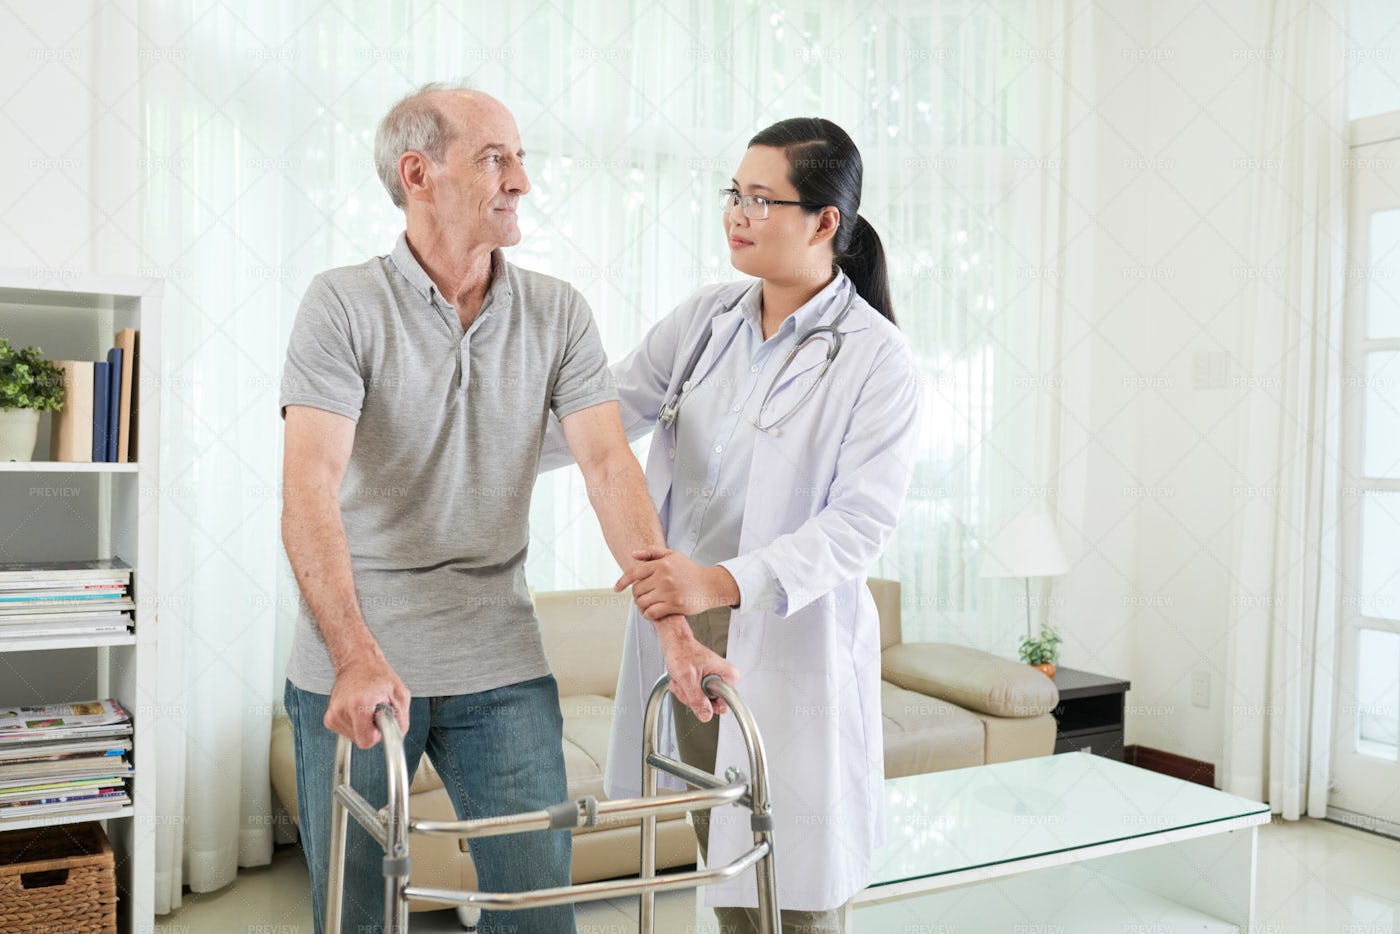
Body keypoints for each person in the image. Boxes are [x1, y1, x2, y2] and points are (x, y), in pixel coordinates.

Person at [278, 83, 734, 934]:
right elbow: (308, 485)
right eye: (496, 158)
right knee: (359, 914)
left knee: (539, 914)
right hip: (361, 662)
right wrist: (352, 653)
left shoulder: (557, 313)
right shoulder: (341, 305)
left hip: (500, 660)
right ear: (419, 173)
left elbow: (607, 465)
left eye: (521, 158)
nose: (521, 179)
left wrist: (679, 635)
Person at [545, 117, 921, 933]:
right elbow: (598, 417)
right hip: (685, 635)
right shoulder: (706, 320)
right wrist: (460, 444)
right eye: (734, 194)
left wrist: (716, 580)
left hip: (785, 636)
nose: (737, 214)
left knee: (795, 896)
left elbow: (858, 525)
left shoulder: (876, 359)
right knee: (724, 875)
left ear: (826, 223)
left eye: (762, 199)